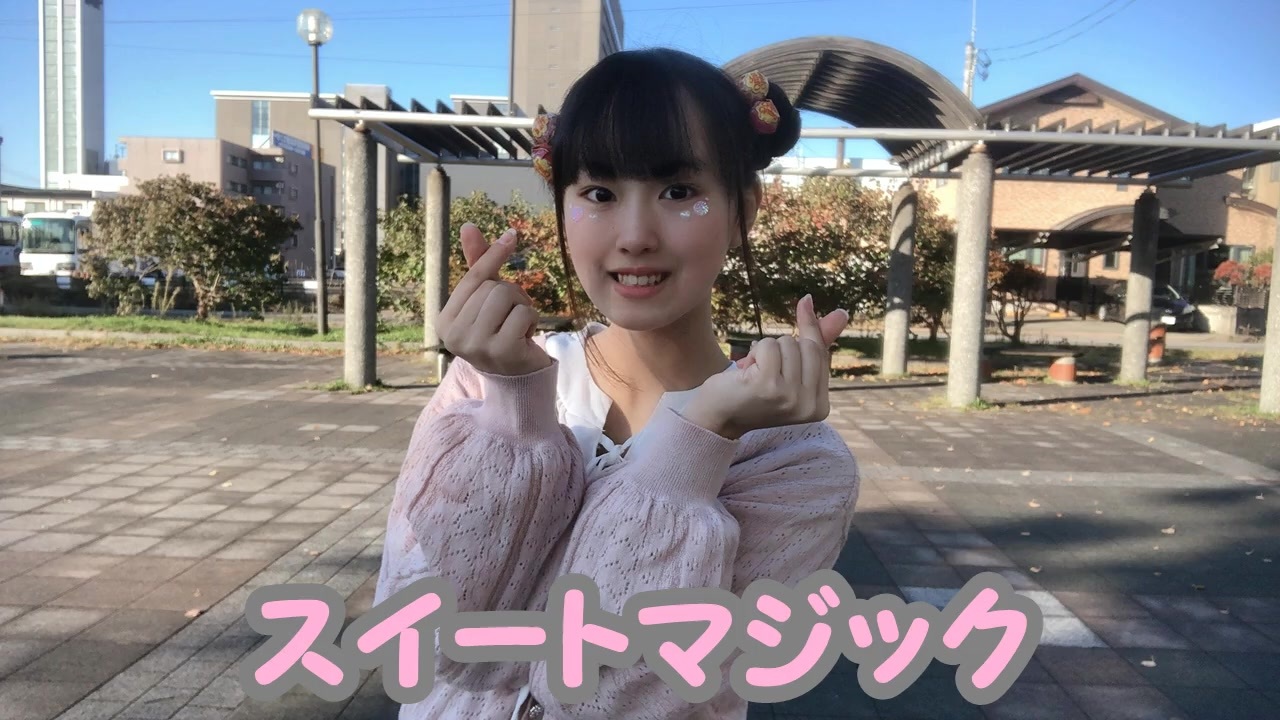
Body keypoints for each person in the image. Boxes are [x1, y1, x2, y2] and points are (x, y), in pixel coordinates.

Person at [375, 47, 861, 719]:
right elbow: (418, 635)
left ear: (743, 208)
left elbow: (617, 695)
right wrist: (513, 412)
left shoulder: (797, 462)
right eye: (599, 194)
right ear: (562, 207)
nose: (634, 236)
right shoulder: (482, 386)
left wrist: (701, 439)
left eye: (679, 191)